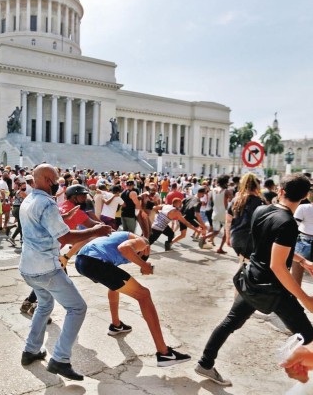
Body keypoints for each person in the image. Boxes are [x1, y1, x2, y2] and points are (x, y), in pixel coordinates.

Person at [195, 173, 313, 386]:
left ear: (281, 191)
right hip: (273, 290)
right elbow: (278, 265)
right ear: (306, 196)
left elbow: (268, 247)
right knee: (309, 335)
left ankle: (205, 363)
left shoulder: (261, 210)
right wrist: (305, 298)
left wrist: (302, 261)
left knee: (230, 322)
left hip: (251, 280)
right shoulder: (287, 223)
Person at [19, 164, 111, 381]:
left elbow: (45, 228)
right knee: (77, 307)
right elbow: (65, 238)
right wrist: (96, 230)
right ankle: (60, 359)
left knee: (44, 305)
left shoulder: (28, 199)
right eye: (54, 181)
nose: (57, 186)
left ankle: (30, 350)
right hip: (46, 269)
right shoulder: (46, 203)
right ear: (45, 180)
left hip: (28, 267)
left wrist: (66, 218)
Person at [75, 231, 191, 366]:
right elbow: (125, 249)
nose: (137, 256)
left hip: (81, 262)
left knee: (115, 285)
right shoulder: (141, 242)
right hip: (94, 262)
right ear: (146, 248)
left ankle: (116, 325)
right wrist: (144, 265)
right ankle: (164, 353)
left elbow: (114, 284)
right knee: (144, 295)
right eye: (142, 255)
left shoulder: (115, 239)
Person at [225, 173, 264, 262]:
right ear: (257, 186)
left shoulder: (235, 201)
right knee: (248, 266)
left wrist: (228, 237)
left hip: (236, 238)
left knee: (243, 263)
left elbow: (228, 221)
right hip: (251, 241)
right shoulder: (261, 202)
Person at [293, 184, 313, 286]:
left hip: (303, 241)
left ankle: (292, 300)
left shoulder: (303, 207)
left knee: (296, 278)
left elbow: (294, 226)